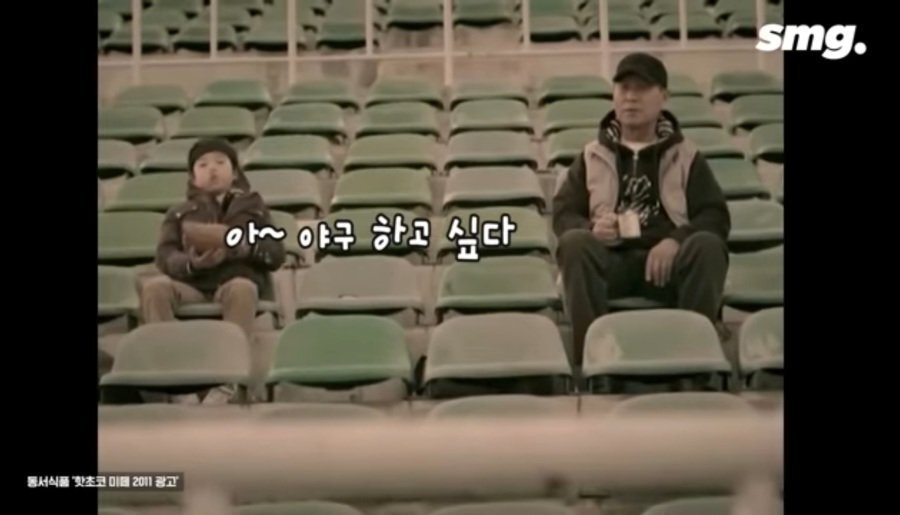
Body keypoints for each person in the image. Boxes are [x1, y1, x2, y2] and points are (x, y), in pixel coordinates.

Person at [552, 53, 731, 368]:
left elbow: (715, 216)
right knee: (575, 243)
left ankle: (694, 363)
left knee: (707, 246)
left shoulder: (686, 156)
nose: (631, 97)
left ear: (663, 96)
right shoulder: (591, 155)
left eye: (642, 88)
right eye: (624, 88)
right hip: (610, 264)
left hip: (668, 267)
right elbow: (563, 213)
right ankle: (590, 364)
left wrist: (676, 240)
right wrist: (593, 230)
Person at [140, 138, 286, 340]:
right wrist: (192, 263)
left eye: (220, 162)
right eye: (203, 165)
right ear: (193, 177)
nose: (212, 169)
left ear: (235, 173)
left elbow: (276, 253)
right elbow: (165, 255)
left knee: (242, 288)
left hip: (236, 281)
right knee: (155, 288)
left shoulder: (255, 209)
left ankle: (233, 351)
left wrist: (244, 247)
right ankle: (166, 350)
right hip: (192, 285)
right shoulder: (179, 213)